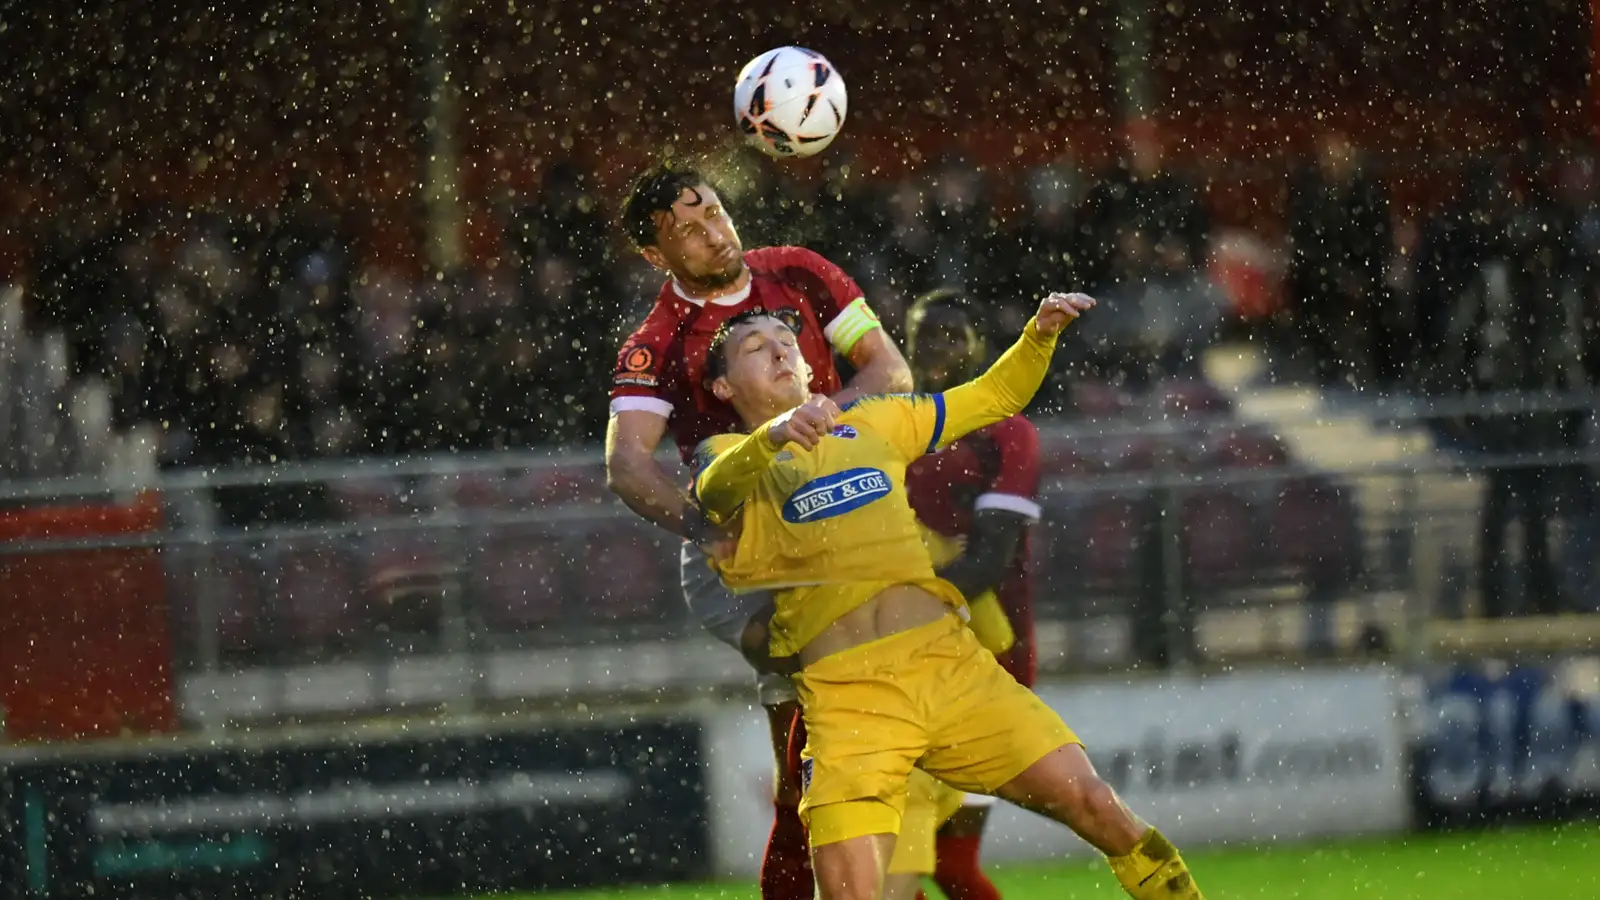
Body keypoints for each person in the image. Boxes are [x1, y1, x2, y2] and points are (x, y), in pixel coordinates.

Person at [692, 295, 1203, 900]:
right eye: (755, 348)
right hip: (850, 700)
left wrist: (1037, 338)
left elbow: (993, 396)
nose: (779, 349)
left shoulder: (877, 422)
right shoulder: (728, 456)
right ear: (724, 388)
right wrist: (773, 436)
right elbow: (714, 491)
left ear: (808, 368)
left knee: (1099, 807)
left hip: (950, 668)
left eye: (786, 340)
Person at [603, 160, 912, 900]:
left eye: (713, 212)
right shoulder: (657, 342)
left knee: (826, 769)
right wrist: (708, 534)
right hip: (753, 565)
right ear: (656, 255)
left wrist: (822, 421)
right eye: (687, 229)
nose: (713, 232)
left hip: (838, 536)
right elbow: (627, 466)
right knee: (831, 751)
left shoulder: (800, 275)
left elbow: (890, 373)